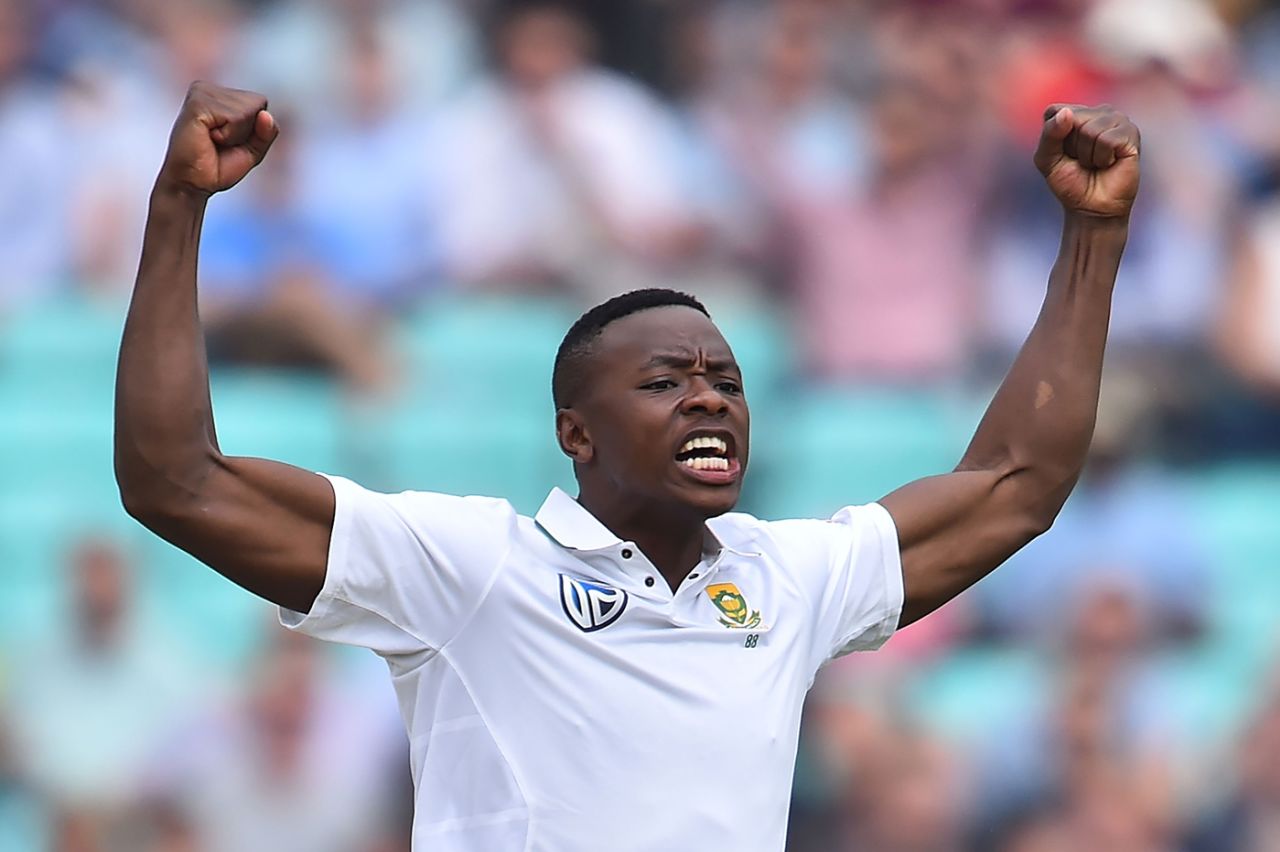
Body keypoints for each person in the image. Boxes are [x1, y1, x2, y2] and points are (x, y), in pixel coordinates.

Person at [114, 81, 1140, 851]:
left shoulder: (783, 581)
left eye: (725, 381)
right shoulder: (471, 569)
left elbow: (1016, 485)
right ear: (576, 434)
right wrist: (176, 209)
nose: (708, 399)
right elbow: (177, 482)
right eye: (663, 382)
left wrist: (1091, 237)